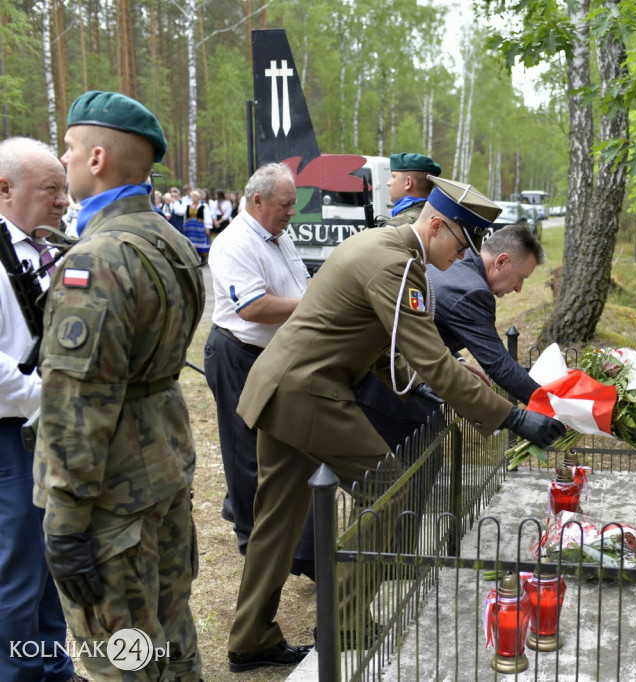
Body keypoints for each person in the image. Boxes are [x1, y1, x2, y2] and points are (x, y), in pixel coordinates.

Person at [226, 175, 565, 672]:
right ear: (435, 225)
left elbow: (385, 348)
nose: (461, 256)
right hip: (309, 393)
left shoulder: (386, 247)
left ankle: (249, 639)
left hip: (283, 387)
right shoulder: (397, 265)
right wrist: (514, 417)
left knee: (276, 524)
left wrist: (433, 379)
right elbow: (432, 360)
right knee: (392, 492)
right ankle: (341, 620)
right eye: (461, 243)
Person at [36, 91, 204, 680]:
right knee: (172, 631)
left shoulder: (100, 258)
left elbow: (77, 402)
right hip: (162, 463)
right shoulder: (167, 238)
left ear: (98, 157)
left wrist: (63, 520)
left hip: (112, 490)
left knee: (121, 656)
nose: (64, 160)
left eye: (68, 149)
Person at [0, 137, 81, 682]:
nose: (62, 201)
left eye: (63, 189)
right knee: (17, 570)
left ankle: (50, 666)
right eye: (50, 189)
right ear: (4, 189)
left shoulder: (45, 247)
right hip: (11, 435)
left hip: (47, 427)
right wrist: (59, 393)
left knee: (51, 562)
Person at [357, 223, 544, 451]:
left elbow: (430, 325)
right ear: (501, 261)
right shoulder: (472, 291)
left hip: (380, 377)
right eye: (521, 277)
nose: (519, 289)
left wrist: (458, 360)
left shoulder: (457, 266)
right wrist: (549, 403)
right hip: (387, 388)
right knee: (414, 471)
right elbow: (499, 366)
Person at [204, 162, 310, 560]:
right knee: (245, 453)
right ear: (258, 199)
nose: (291, 212)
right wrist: (311, 307)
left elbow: (300, 283)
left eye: (293, 204)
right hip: (238, 355)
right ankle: (252, 541)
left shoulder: (280, 236)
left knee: (275, 448)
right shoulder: (234, 242)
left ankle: (275, 530)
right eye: (285, 204)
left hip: (271, 356)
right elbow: (253, 307)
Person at [385, 152, 442, 226]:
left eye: (393, 176)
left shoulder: (398, 224)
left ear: (408, 182)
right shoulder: (436, 218)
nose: (388, 183)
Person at [183, 189, 210, 263]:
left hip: (199, 227)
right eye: (192, 197)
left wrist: (207, 228)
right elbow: (186, 216)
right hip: (190, 228)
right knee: (191, 242)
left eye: (195, 197)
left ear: (199, 198)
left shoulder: (203, 206)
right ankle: (194, 258)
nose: (193, 198)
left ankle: (203, 258)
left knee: (201, 242)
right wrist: (185, 225)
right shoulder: (189, 205)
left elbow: (207, 216)